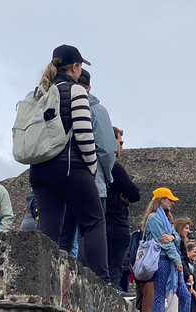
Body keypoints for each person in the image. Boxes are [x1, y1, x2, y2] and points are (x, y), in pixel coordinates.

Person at [27, 45, 130, 297]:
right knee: (94, 222)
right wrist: (92, 168)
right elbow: (84, 132)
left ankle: (44, 283)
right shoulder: (75, 90)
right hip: (70, 165)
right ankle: (103, 284)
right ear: (75, 67)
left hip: (39, 169)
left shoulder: (39, 92)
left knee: (49, 227)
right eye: (80, 66)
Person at [58, 68, 119, 257]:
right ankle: (94, 281)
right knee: (91, 232)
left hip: (63, 178)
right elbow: (108, 149)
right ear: (89, 87)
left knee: (64, 237)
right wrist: (107, 175)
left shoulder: (58, 102)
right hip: (93, 180)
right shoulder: (98, 109)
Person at [140, 188, 191, 312]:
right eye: (170, 200)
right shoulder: (154, 218)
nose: (172, 203)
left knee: (185, 295)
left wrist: (173, 236)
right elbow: (165, 244)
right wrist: (177, 260)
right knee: (160, 294)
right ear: (161, 199)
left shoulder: (167, 220)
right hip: (163, 260)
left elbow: (177, 240)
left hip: (169, 260)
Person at [105, 127, 140, 288]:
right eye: (120, 143)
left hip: (98, 225)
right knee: (114, 272)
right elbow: (134, 194)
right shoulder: (114, 167)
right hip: (116, 222)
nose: (122, 147)